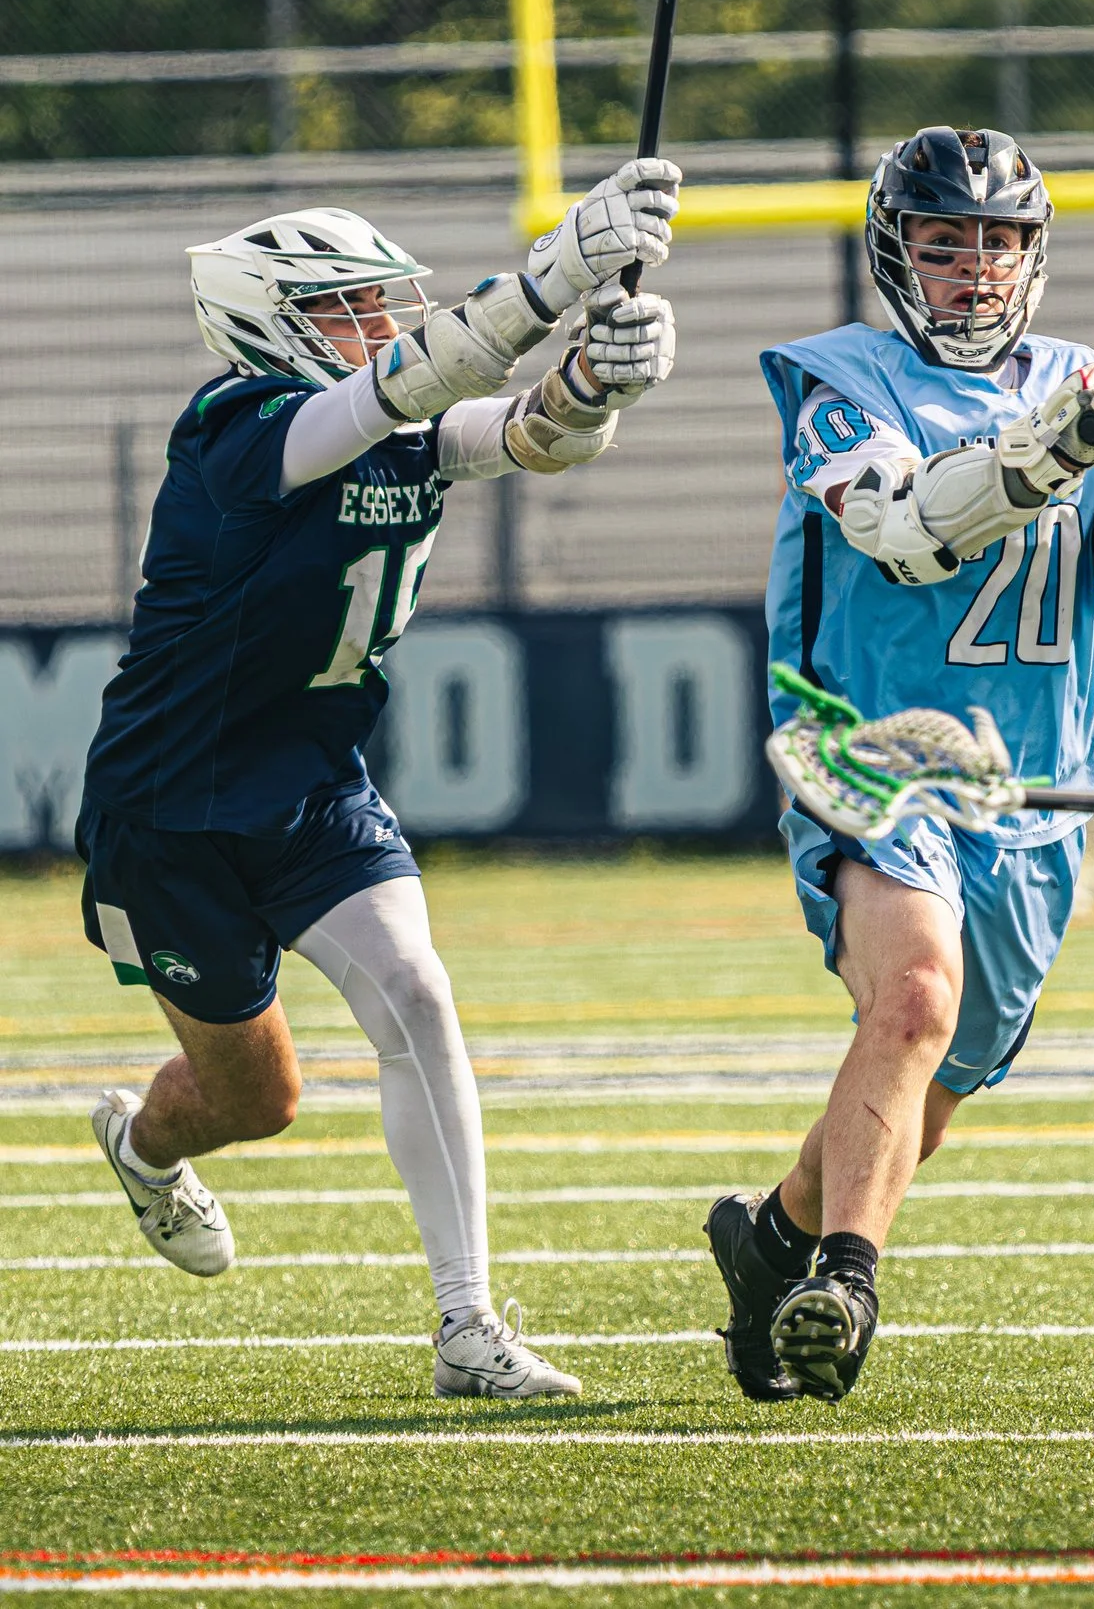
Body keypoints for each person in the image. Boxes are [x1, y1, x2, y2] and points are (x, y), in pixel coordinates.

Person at [80, 161, 683, 1399]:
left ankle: (468, 1324)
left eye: (378, 304)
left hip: (314, 789)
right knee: (256, 1103)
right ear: (273, 321)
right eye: (352, 308)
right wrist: (552, 275)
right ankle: (141, 1147)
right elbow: (420, 383)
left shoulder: (389, 419)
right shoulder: (236, 426)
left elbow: (523, 435)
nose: (381, 327)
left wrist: (599, 377)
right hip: (170, 813)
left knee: (416, 990)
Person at [709, 125, 1094, 1405]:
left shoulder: (1080, 375)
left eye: (1001, 243)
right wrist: (1059, 448)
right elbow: (904, 531)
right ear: (895, 251)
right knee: (910, 1002)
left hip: (1029, 781)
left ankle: (776, 1241)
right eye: (946, 241)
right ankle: (843, 1283)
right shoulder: (835, 377)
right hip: (868, 747)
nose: (975, 268)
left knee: (941, 1079)